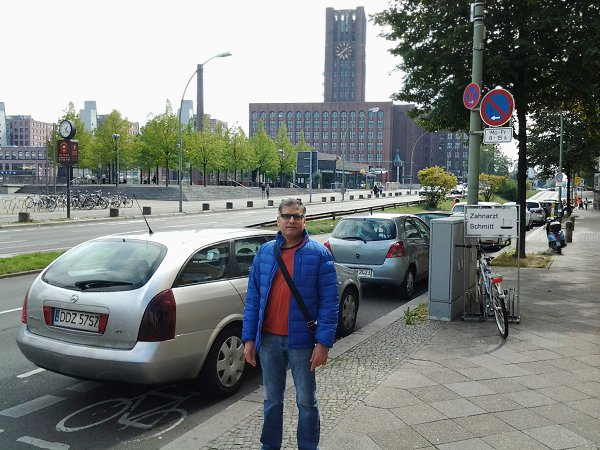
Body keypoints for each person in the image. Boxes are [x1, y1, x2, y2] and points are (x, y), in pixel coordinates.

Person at [242, 198, 339, 450]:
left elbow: (329, 302)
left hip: (302, 342)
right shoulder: (265, 253)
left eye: (297, 216)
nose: (291, 221)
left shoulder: (319, 254)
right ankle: (269, 446)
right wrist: (249, 339)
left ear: (305, 220)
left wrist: (323, 343)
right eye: (286, 216)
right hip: (269, 341)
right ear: (278, 220)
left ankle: (308, 446)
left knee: (306, 401)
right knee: (272, 401)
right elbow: (253, 299)